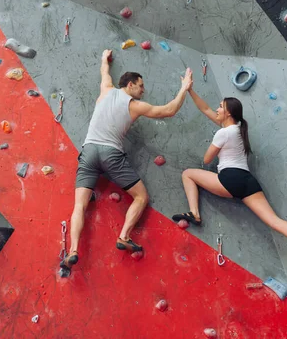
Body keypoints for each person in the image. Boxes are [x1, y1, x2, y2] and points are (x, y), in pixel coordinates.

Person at [172, 89, 287, 276]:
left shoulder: (222, 134)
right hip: (248, 181)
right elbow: (206, 109)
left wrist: (214, 148)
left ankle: (195, 213)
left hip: (229, 179)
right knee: (275, 221)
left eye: (220, 107)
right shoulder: (239, 129)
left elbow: (207, 159)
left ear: (228, 113)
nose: (216, 109)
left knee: (188, 174)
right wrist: (190, 90)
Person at [60, 49, 193, 273]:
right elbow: (168, 110)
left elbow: (104, 72)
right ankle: (124, 236)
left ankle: (73, 250)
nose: (143, 90)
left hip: (89, 151)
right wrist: (184, 88)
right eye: (140, 85)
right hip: (111, 154)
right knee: (141, 196)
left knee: (79, 206)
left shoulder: (105, 90)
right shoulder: (134, 105)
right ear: (130, 85)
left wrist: (104, 58)